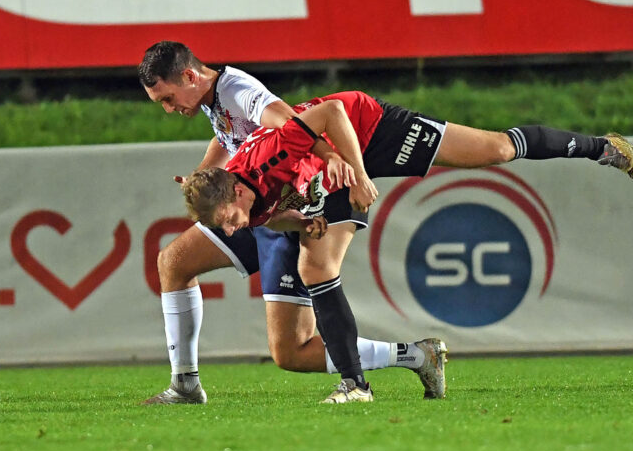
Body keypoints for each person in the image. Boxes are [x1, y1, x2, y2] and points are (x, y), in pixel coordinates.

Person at [182, 90, 633, 403]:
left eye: (228, 219)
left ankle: (602, 148)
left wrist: (358, 173)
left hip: (365, 127)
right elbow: (270, 215)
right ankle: (357, 384)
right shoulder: (241, 203)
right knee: (314, 273)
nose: (232, 229)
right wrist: (303, 219)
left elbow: (333, 114)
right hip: (328, 173)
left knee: (496, 150)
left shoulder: (267, 158)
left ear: (237, 190)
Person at [138, 41, 446, 405]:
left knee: (292, 350)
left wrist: (332, 157)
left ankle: (408, 359)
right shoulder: (212, 100)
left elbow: (288, 120)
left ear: (189, 76)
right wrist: (203, 177)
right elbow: (226, 140)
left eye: (167, 99)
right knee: (174, 261)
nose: (169, 108)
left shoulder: (237, 89)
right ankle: (185, 385)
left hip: (281, 206)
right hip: (249, 208)